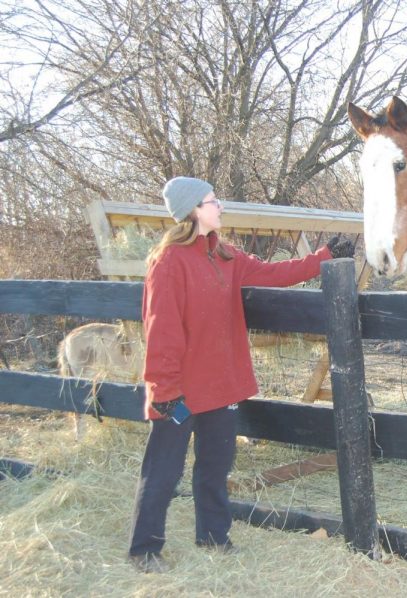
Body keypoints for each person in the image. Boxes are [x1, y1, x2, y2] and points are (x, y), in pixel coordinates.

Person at [127, 176, 355, 573]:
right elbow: (160, 330)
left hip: (221, 391)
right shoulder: (168, 264)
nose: (220, 206)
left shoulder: (226, 257)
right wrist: (164, 390)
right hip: (178, 397)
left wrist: (324, 256)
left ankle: (213, 537)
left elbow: (275, 273)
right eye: (213, 201)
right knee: (164, 468)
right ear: (194, 210)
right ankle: (145, 549)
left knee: (216, 465)